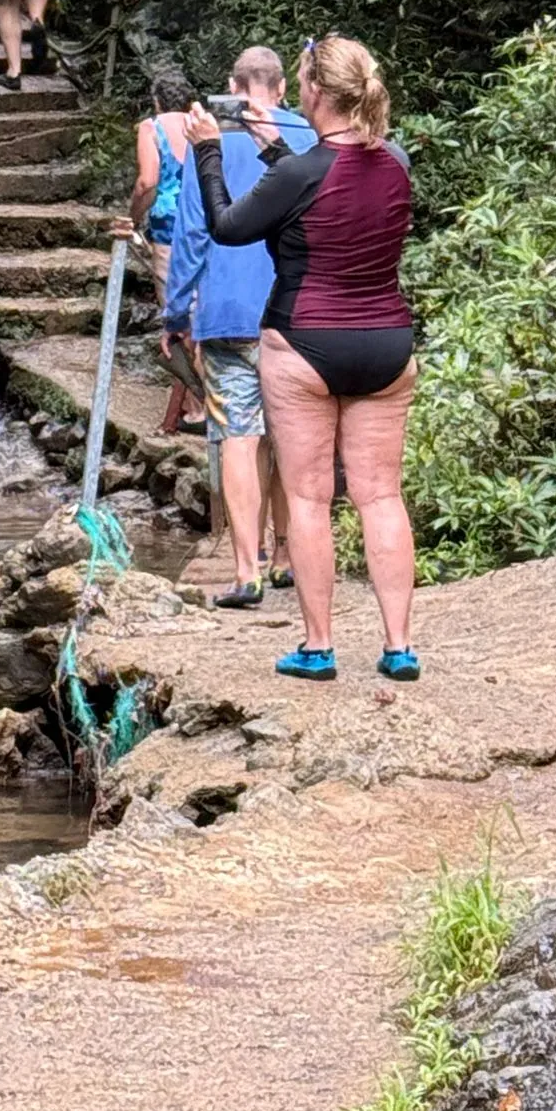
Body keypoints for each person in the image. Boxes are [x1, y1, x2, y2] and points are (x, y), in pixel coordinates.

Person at [185, 35, 419, 684]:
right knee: (381, 497)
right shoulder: (395, 161)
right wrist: (276, 149)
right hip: (385, 345)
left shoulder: (298, 173)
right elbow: (334, 185)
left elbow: (229, 226)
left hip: (304, 345)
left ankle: (318, 648)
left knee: (310, 500)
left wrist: (209, 149)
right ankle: (399, 647)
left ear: (311, 92)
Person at [162, 47, 313, 605]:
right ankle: (287, 555)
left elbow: (192, 234)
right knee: (287, 436)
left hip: (226, 316)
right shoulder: (305, 135)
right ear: (282, 88)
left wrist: (176, 314)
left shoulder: (210, 140)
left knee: (239, 439)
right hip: (294, 314)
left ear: (232, 85)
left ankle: (246, 569)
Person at [124, 65, 202, 436]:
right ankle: (193, 403)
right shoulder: (203, 125)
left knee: (177, 317)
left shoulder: (151, 128)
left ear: (156, 101)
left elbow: (147, 181)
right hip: (207, 226)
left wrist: (132, 218)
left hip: (170, 229)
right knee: (200, 313)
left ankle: (196, 406)